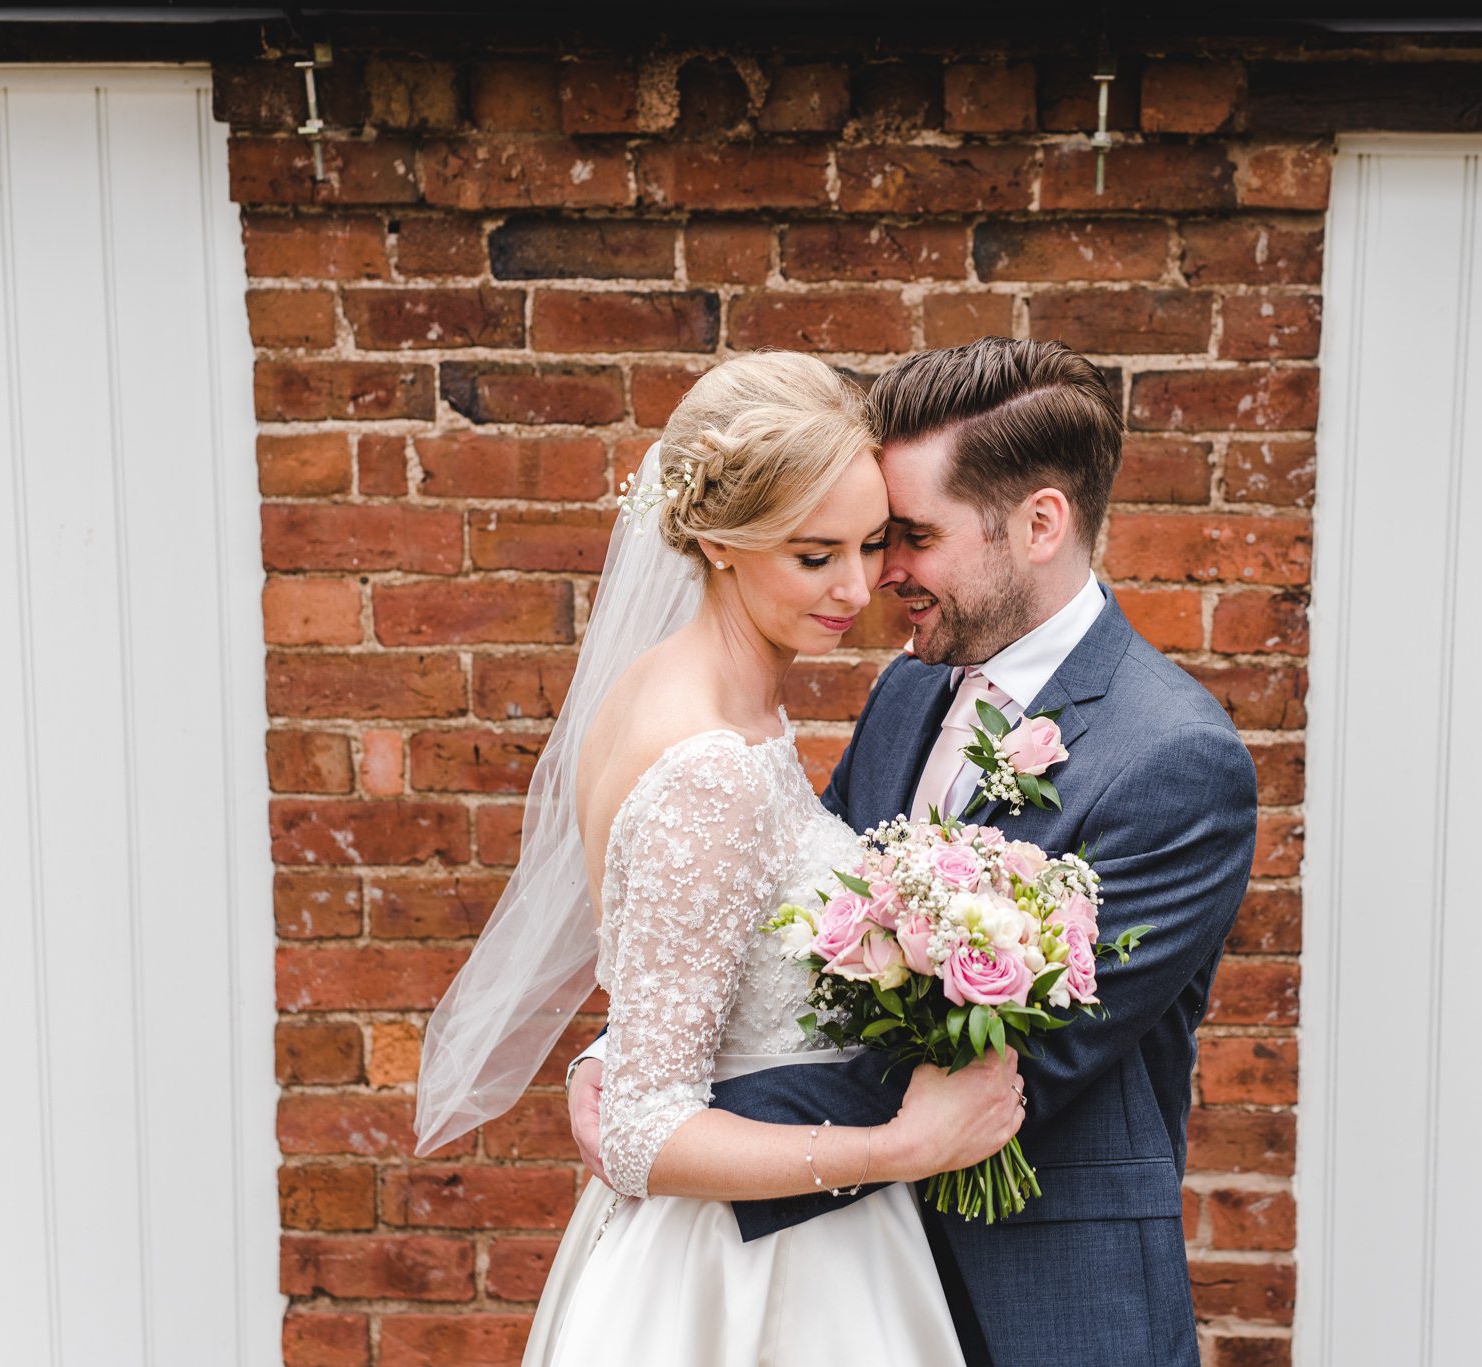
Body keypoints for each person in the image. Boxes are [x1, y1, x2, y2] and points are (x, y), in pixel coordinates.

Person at [567, 337, 1261, 1367]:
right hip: (843, 1279)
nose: (879, 573)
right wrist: (633, 1061)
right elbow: (796, 933)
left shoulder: (1172, 760)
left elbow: (1013, 1062)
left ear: (1037, 524)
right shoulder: (906, 687)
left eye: (909, 536)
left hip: (1046, 1301)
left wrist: (657, 1114)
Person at [411, 351, 1024, 1367]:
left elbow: (678, 987)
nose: (856, 585)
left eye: (869, 544)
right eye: (812, 553)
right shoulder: (707, 766)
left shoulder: (696, 695)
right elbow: (643, 1131)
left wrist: (610, 1049)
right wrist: (900, 1147)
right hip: (746, 1282)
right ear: (716, 540)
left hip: (783, 1235)